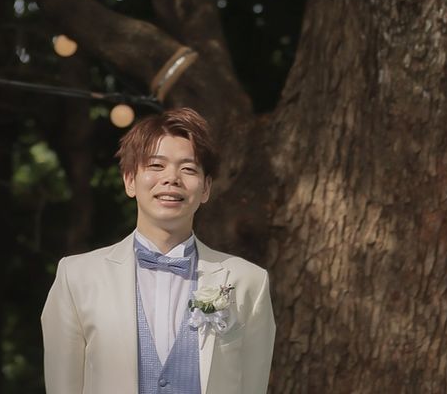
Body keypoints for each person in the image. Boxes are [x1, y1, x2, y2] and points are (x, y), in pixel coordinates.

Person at [42, 107, 275, 394]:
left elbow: (253, 386)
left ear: (206, 188)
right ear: (130, 180)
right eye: (156, 165)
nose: (172, 178)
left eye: (188, 168)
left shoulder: (248, 282)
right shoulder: (77, 276)